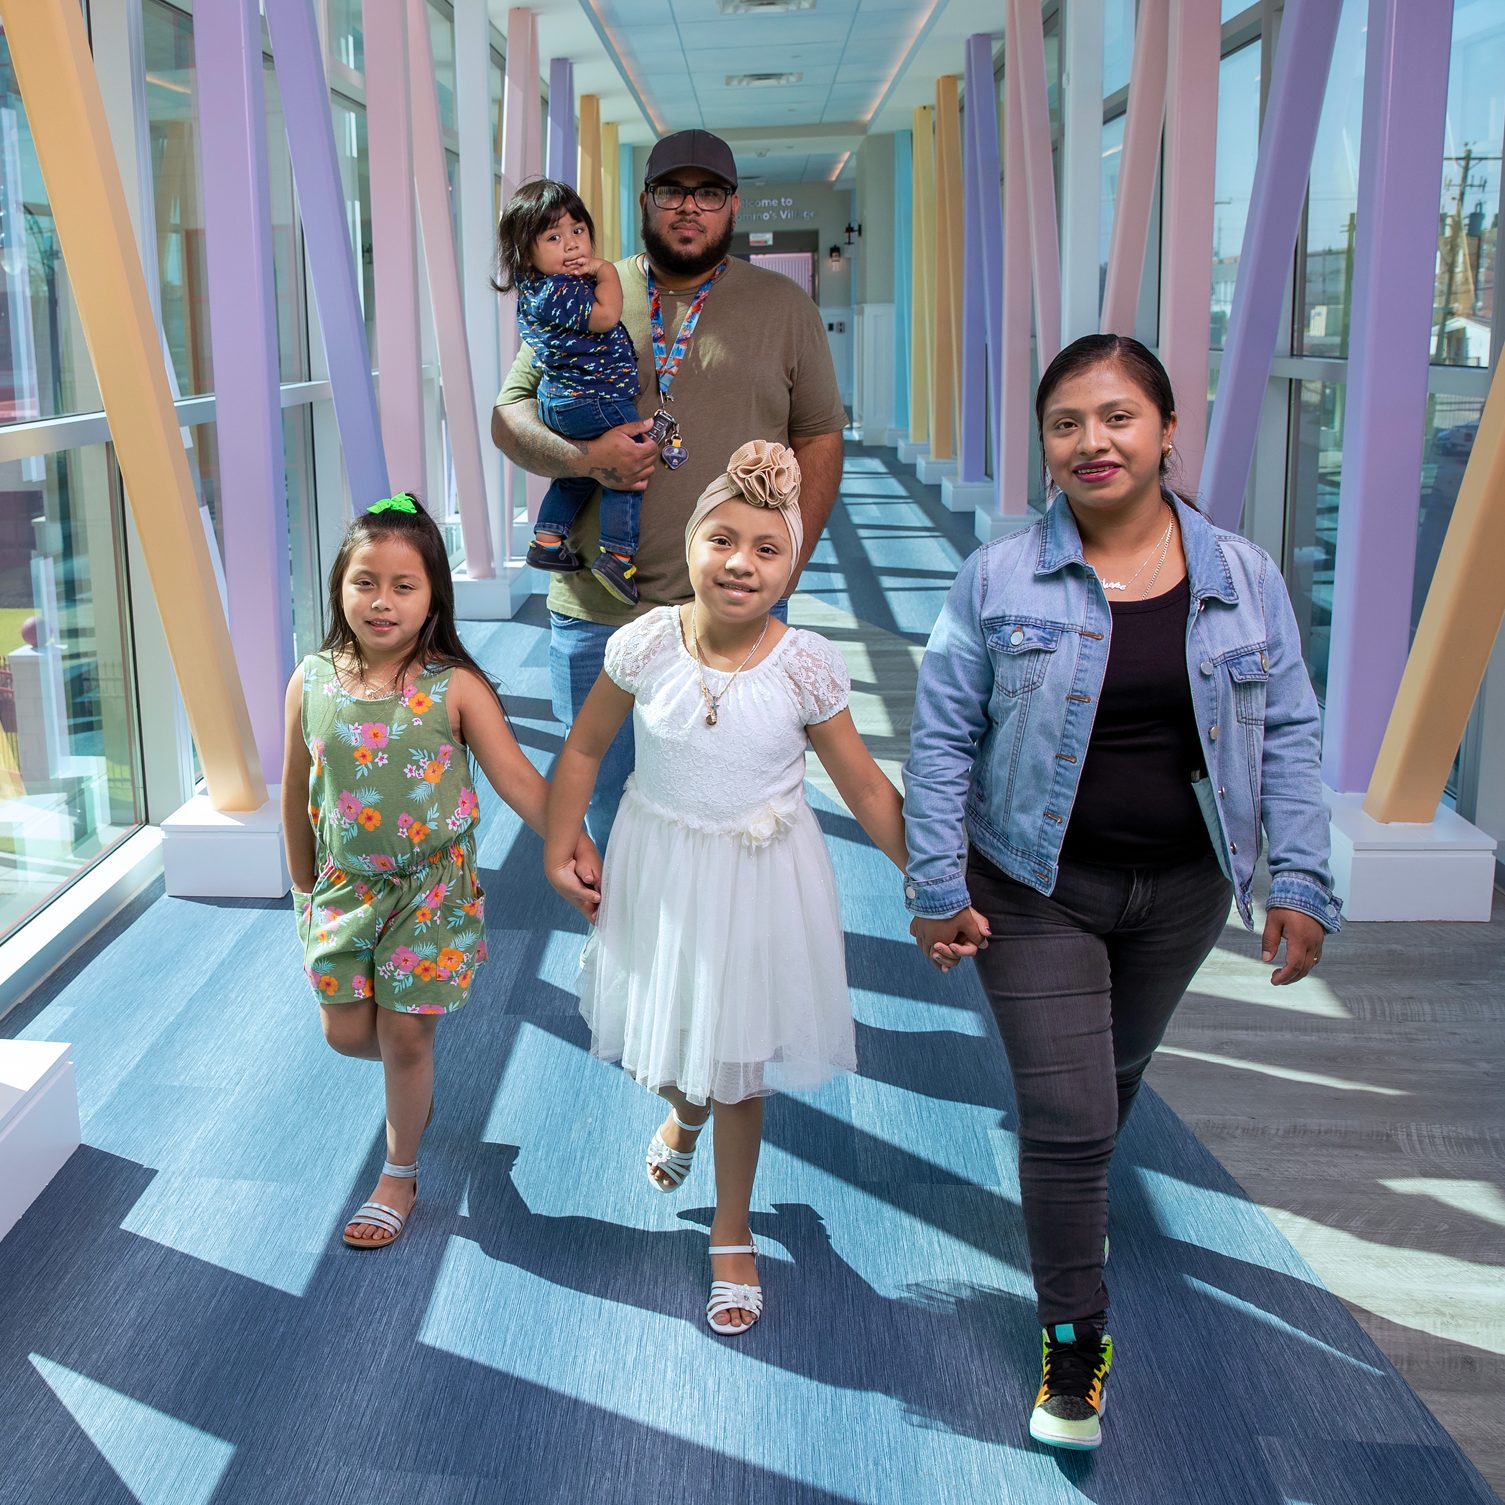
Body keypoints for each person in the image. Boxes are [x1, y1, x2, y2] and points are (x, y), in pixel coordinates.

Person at [902, 335, 1343, 1451]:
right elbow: (943, 735)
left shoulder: (1243, 577)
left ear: (1164, 428)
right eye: (1064, 423)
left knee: (1112, 1073)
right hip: (1033, 883)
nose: (1089, 442)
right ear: (1043, 446)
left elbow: (1287, 729)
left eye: (1114, 417)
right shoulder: (997, 577)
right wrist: (935, 881)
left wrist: (1296, 876)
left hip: (1186, 886)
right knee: (1066, 1113)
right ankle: (1071, 1336)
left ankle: (1079, 1173)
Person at [544, 442, 918, 1336]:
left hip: (759, 883)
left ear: (790, 564)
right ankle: (680, 1116)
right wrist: (564, 841)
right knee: (679, 1043)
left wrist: (934, 880)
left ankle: (731, 1226)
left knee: (739, 1061)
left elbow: (866, 787)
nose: (740, 562)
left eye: (765, 548)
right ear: (694, 539)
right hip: (663, 871)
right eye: (722, 539)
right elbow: (587, 748)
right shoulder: (643, 642)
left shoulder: (806, 666)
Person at [493, 128, 847, 843]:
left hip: (731, 617)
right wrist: (589, 458)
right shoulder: (585, 287)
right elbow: (509, 417)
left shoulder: (785, 307)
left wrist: (790, 566)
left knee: (731, 817)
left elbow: (818, 438)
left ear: (732, 207)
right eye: (672, 192)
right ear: (645, 201)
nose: (690, 208)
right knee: (606, 808)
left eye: (708, 192)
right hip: (598, 613)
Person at [281, 493, 600, 1251]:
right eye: (365, 582)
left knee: (404, 1037)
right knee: (343, 1031)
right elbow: (295, 795)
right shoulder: (311, 680)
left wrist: (574, 841)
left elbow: (522, 780)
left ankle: (398, 1170)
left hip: (432, 890)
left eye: (403, 585)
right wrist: (302, 893)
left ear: (432, 599)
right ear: (339, 589)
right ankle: (407, 1055)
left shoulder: (454, 686)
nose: (381, 601)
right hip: (342, 891)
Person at [492, 179, 646, 606]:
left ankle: (546, 540)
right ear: (527, 253)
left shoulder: (540, 288)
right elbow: (606, 316)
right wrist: (607, 270)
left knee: (579, 474)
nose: (573, 246)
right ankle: (617, 553)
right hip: (591, 397)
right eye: (554, 238)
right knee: (626, 468)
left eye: (578, 231)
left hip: (564, 400)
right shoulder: (559, 289)